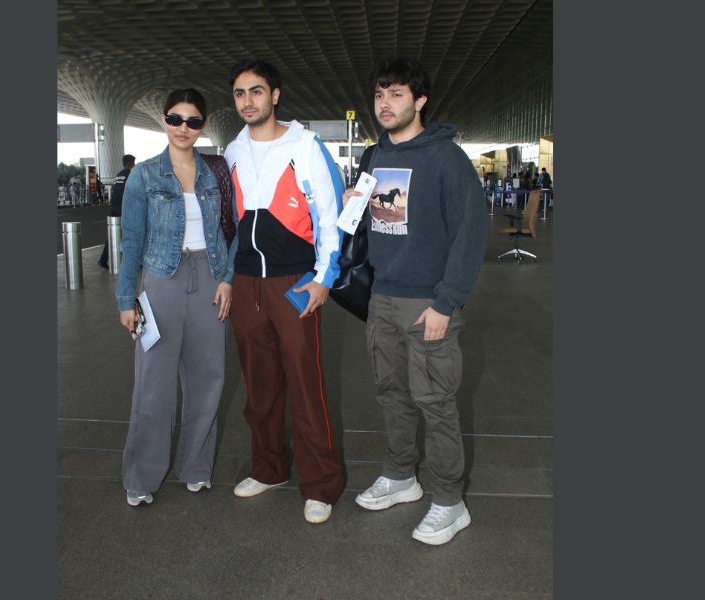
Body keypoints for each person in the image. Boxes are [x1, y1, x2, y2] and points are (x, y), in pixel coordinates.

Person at [343, 56, 488, 545]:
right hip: (382, 297)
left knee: (435, 402)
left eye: (396, 94)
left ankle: (449, 500)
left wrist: (446, 303)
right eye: (379, 95)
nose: (384, 104)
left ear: (420, 100)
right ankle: (401, 475)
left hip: (427, 302)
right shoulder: (373, 156)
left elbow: (470, 235)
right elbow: (375, 224)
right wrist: (352, 208)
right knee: (392, 394)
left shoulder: (447, 159)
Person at [224, 58, 344, 524]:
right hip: (246, 282)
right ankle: (269, 468)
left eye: (256, 91)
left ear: (275, 95)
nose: (248, 101)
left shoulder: (306, 146)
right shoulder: (233, 151)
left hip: (294, 282)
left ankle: (321, 485)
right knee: (259, 387)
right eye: (239, 93)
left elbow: (330, 217)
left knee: (305, 386)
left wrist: (323, 278)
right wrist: (228, 278)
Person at [115, 88, 237, 507]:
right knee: (153, 384)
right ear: (164, 120)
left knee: (207, 380)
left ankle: (196, 467)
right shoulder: (144, 175)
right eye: (175, 119)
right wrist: (125, 299)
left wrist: (228, 278)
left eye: (193, 121)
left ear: (202, 126)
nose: (183, 128)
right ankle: (141, 475)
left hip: (209, 279)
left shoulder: (216, 173)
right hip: (161, 281)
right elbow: (131, 242)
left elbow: (233, 229)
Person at [99, 154, 136, 269]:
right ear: (131, 163)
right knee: (130, 234)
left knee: (112, 235)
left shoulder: (118, 175)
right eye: (134, 163)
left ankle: (103, 259)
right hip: (124, 208)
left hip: (113, 208)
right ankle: (131, 261)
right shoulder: (131, 175)